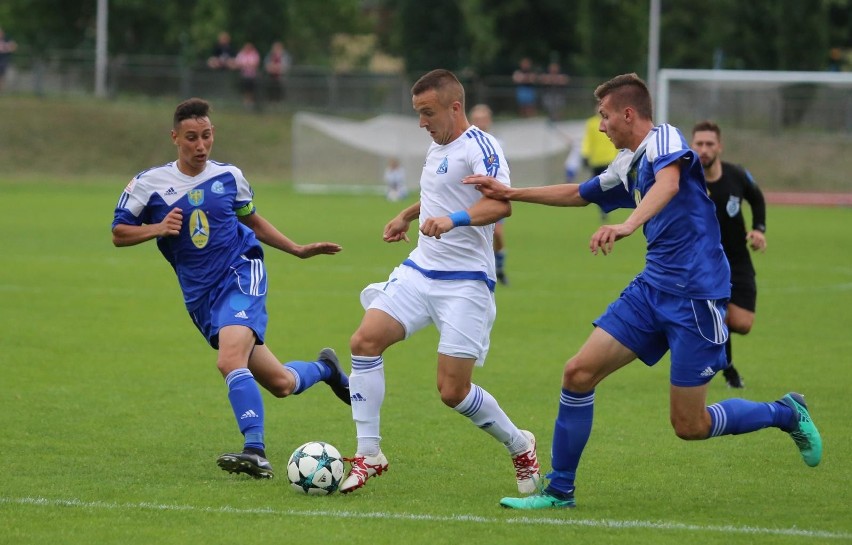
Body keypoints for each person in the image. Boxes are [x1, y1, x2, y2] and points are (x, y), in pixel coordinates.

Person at [464, 73, 822, 510]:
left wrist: (629, 224)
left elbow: (669, 184)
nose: (601, 126)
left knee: (689, 424)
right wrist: (510, 192)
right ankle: (560, 491)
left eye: (604, 116)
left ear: (628, 114)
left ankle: (786, 412)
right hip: (652, 290)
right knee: (578, 374)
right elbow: (579, 193)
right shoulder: (625, 164)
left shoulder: (664, 138)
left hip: (696, 297)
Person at [111, 98, 349, 480]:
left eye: (206, 136)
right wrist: (157, 228)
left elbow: (252, 222)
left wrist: (297, 249)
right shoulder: (148, 184)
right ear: (175, 138)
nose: (201, 146)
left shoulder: (230, 176)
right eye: (191, 138)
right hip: (201, 298)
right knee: (282, 384)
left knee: (228, 362)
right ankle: (327, 370)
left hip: (242, 273)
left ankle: (255, 450)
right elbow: (119, 233)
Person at [339, 69, 540, 495]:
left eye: (427, 112)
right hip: (420, 271)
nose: (421, 123)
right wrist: (407, 215)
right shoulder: (438, 146)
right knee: (364, 341)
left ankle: (520, 445)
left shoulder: (481, 147)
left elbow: (501, 205)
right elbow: (440, 192)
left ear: (454, 107)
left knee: (452, 391)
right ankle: (368, 454)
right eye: (417, 113)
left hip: (465, 282)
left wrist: (454, 220)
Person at [691, 120, 767, 389]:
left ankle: (699, 332)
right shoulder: (688, 180)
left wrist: (759, 229)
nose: (704, 149)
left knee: (742, 323)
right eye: (699, 143)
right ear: (692, 146)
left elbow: (757, 198)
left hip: (738, 260)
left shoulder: (736, 175)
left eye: (709, 144)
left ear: (719, 147)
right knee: (717, 313)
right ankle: (727, 368)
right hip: (705, 264)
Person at [469, 103, 508, 285]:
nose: (480, 123)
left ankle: (499, 268)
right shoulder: (466, 142)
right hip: (470, 198)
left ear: (489, 121)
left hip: (492, 197)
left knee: (497, 233)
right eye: (476, 119)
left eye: (483, 119)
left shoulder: (496, 143)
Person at [234, 42, 261, 109]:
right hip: (243, 75)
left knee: (251, 89)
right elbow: (238, 63)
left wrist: (246, 65)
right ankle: (246, 102)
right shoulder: (241, 54)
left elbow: (255, 63)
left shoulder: (254, 54)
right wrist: (247, 65)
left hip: (252, 76)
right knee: (245, 89)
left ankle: (251, 103)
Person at [0, 27, 18, 91]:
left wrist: (6, 48)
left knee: (2, 75)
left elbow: (14, 46)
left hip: (4, 60)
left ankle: (1, 90)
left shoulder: (7, 39)